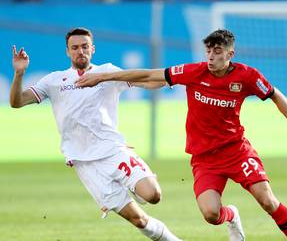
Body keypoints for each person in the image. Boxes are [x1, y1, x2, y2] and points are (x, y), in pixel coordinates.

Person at [76, 29, 287, 241]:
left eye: (218, 52)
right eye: (209, 51)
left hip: (237, 152)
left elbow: (275, 94)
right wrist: (104, 76)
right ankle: (232, 216)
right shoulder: (194, 72)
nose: (211, 57)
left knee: (267, 201)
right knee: (211, 214)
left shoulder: (247, 76)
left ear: (230, 54)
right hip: (205, 159)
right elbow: (150, 75)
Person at [10, 27, 182, 241]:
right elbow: (17, 102)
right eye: (75, 48)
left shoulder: (107, 72)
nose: (80, 51)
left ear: (93, 49)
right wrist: (19, 74)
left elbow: (149, 82)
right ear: (67, 52)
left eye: (84, 46)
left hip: (113, 151)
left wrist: (171, 78)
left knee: (153, 195)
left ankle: (135, 186)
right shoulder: (54, 80)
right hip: (85, 163)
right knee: (139, 220)